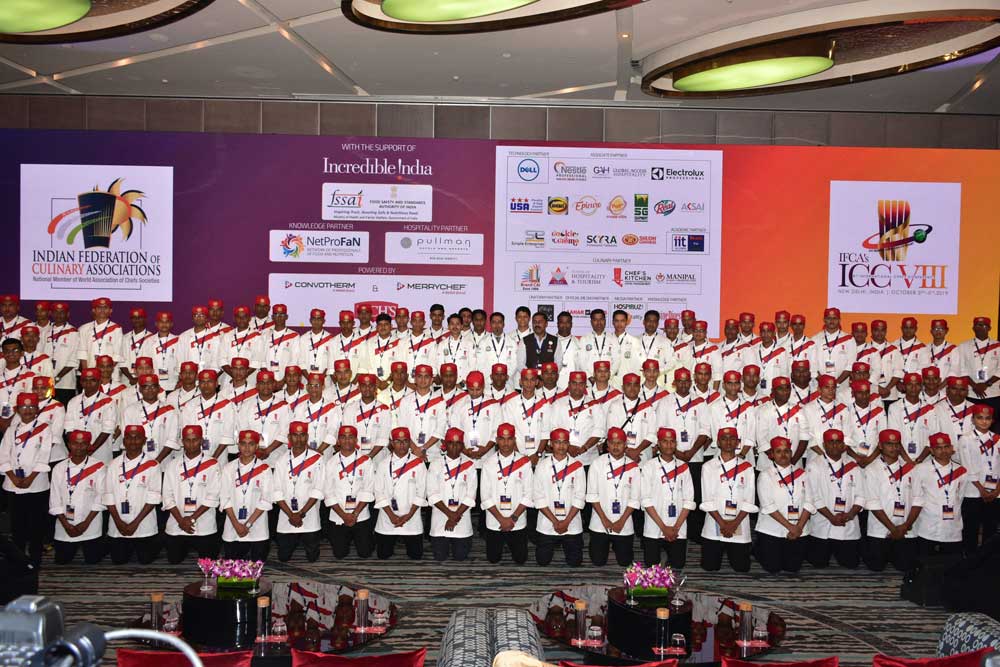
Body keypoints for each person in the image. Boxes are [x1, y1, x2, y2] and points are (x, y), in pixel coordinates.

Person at [0, 392, 53, 565]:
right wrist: (13, 477)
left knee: (37, 524)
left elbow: (44, 455)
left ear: (37, 409)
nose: (28, 410)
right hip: (13, 483)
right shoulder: (11, 430)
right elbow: (3, 455)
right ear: (17, 410)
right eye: (24, 407)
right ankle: (19, 561)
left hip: (37, 484)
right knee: (17, 526)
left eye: (31, 407)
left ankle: (35, 559)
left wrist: (30, 478)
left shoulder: (45, 429)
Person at [862, 429, 921, 572]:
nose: (894, 448)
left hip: (906, 530)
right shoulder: (872, 469)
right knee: (876, 567)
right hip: (880, 530)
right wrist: (893, 529)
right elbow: (873, 504)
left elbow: (918, 500)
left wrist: (905, 526)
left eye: (896, 444)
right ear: (880, 446)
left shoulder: (911, 469)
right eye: (889, 444)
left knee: (905, 567)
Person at [162, 424, 221, 563]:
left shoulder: (212, 464)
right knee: (174, 560)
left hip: (204, 523)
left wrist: (192, 519)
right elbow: (167, 496)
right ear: (182, 442)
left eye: (195, 440)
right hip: (177, 523)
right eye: (187, 440)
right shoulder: (172, 465)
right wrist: (181, 521)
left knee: (209, 561)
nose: (191, 444)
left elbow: (213, 496)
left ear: (201, 440)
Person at [806, 428, 864, 569]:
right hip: (823, 525)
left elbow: (861, 496)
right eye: (830, 442)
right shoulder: (814, 465)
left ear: (843, 445)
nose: (834, 445)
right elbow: (814, 497)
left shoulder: (853, 466)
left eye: (838, 442)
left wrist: (849, 515)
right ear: (824, 445)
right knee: (819, 564)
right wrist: (831, 517)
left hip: (847, 525)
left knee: (851, 564)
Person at [699, 427, 756, 571]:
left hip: (739, 523)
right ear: (718, 443)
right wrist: (723, 524)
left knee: (742, 568)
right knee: (710, 567)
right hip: (715, 523)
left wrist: (734, 524)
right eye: (724, 439)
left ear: (738, 442)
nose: (728, 442)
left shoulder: (747, 468)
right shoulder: (708, 467)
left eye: (732, 439)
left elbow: (749, 501)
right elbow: (707, 500)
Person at [105, 424, 161, 564]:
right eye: (129, 438)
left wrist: (135, 523)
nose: (133, 441)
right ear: (124, 441)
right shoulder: (113, 465)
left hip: (143, 525)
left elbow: (154, 498)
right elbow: (108, 496)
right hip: (118, 525)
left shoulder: (153, 465)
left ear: (144, 440)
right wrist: (119, 522)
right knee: (118, 561)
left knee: (145, 561)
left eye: (137, 438)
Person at [755, 436, 813, 573]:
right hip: (772, 529)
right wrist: (790, 527)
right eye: (778, 451)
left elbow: (810, 503)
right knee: (773, 568)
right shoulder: (765, 475)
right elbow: (768, 506)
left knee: (792, 568)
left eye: (786, 451)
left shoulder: (803, 474)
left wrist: (798, 527)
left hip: (798, 529)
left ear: (791, 453)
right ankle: (758, 549)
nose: (783, 455)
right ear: (772, 455)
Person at [641, 427, 695, 568]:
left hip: (678, 527)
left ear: (676, 444)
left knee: (678, 565)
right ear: (658, 444)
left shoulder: (684, 467)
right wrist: (663, 528)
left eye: (672, 441)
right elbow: (645, 500)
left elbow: (689, 501)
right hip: (654, 526)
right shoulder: (649, 466)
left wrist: (675, 528)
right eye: (665, 441)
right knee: (651, 566)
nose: (669, 445)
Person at [49, 430, 106, 564]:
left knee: (93, 561)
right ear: (69, 445)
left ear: (88, 445)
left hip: (90, 524)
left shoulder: (99, 466)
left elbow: (101, 498)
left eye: (83, 443)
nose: (79, 447)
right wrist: (66, 525)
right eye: (75, 443)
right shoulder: (59, 468)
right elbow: (55, 500)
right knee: (62, 561)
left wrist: (86, 523)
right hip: (65, 524)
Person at [587, 427, 641, 566]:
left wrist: (621, 521)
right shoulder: (597, 464)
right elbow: (592, 496)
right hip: (600, 522)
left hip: (624, 522)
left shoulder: (633, 467)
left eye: (619, 443)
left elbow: (635, 499)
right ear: (607, 445)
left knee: (625, 562)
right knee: (598, 562)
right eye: (612, 443)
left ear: (625, 445)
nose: (615, 446)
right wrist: (605, 520)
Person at [273, 421, 326, 562]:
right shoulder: (281, 461)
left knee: (312, 558)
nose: (299, 439)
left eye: (302, 435)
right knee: (283, 557)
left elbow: (318, 490)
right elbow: (277, 492)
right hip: (287, 516)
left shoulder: (317, 459)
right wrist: (291, 515)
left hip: (309, 515)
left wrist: (301, 514)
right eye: (295, 435)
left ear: (307, 437)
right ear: (289, 437)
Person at [533, 428, 586, 566]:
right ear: (551, 444)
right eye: (557, 442)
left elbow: (580, 497)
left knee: (575, 563)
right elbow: (538, 497)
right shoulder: (542, 466)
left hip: (571, 523)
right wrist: (555, 521)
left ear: (568, 444)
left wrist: (566, 522)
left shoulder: (577, 466)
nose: (561, 446)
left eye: (564, 442)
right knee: (542, 561)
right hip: (547, 522)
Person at [481, 422, 532, 564]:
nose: (506, 443)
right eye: (502, 439)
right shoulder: (488, 463)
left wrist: (513, 519)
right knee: (493, 559)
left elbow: (528, 494)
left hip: (517, 521)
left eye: (509, 439)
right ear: (497, 440)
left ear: (514, 440)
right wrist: (501, 520)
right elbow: (485, 496)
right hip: (494, 521)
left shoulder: (524, 462)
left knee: (521, 560)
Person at [373, 427, 426, 560]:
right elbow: (378, 492)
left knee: (416, 556)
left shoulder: (419, 463)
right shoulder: (383, 464)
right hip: (388, 517)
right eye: (398, 441)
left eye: (405, 441)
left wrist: (408, 516)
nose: (402, 445)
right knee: (383, 555)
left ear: (409, 443)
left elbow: (422, 493)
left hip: (411, 517)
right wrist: (391, 515)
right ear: (392, 443)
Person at [220, 430, 274, 561]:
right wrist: (236, 525)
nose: (247, 448)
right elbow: (225, 499)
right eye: (243, 443)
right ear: (238, 445)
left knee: (257, 565)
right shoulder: (228, 468)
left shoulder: (265, 469)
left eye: (251, 444)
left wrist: (248, 524)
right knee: (231, 565)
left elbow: (266, 500)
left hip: (257, 526)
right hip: (233, 526)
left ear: (257, 446)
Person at [323, 424, 375, 559]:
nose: (347, 440)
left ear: (356, 440)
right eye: (343, 437)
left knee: (365, 553)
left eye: (351, 437)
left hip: (360, 514)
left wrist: (355, 514)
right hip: (338, 515)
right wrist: (344, 515)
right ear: (338, 441)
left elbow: (368, 490)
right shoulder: (330, 462)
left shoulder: (366, 461)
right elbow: (328, 493)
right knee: (339, 554)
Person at [914, 432, 969, 558]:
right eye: (938, 448)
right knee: (925, 562)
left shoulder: (961, 471)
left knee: (952, 563)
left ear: (952, 448)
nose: (943, 451)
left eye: (946, 447)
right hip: (927, 526)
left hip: (952, 527)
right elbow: (916, 496)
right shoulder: (920, 469)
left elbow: (960, 496)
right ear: (932, 451)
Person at [427, 427, 477, 561]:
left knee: (460, 557)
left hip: (462, 519)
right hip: (440, 518)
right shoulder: (435, 464)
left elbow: (471, 496)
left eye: (458, 443)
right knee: (440, 557)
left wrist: (455, 516)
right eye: (451, 443)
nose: (454, 447)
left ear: (463, 445)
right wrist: (451, 515)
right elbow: (432, 494)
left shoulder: (469, 465)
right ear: (445, 444)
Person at [959, 404, 998, 554]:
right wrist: (982, 490)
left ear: (992, 420)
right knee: (971, 528)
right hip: (973, 491)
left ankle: (987, 560)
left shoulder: (997, 439)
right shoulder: (966, 439)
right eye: (980, 418)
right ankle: (970, 558)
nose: (984, 421)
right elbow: (966, 466)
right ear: (973, 419)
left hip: (994, 492)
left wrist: (997, 490)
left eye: (988, 418)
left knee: (991, 528)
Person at [549, 371, 604, 468]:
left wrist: (584, 448)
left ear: (585, 385)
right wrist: (568, 447)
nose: (577, 387)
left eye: (581, 384)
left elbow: (599, 430)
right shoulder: (558, 404)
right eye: (574, 383)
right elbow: (552, 428)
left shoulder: (594, 405)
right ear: (569, 384)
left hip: (588, 458)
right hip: (563, 458)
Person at [121, 374, 179, 464]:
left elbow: (172, 439)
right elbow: (127, 439)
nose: (150, 390)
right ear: (140, 389)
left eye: (153, 386)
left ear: (159, 388)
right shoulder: (130, 410)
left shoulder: (169, 410)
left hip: (163, 461)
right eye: (146, 387)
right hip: (137, 463)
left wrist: (156, 461)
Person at [237, 370, 291, 466]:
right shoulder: (247, 405)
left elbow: (285, 432)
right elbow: (242, 430)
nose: (266, 386)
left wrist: (268, 450)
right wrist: (254, 449)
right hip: (251, 456)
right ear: (257, 385)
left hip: (276, 456)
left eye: (269, 383)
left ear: (274, 384)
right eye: (262, 383)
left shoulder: (283, 406)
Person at [181, 369, 236, 461]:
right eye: (203, 382)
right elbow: (187, 435)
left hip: (219, 458)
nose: (206, 385)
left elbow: (227, 436)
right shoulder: (190, 405)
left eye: (210, 381)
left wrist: (212, 460)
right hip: (194, 458)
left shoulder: (226, 405)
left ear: (216, 383)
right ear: (198, 384)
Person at [63, 368, 117, 464]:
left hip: (100, 452)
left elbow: (107, 429)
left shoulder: (108, 402)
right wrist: (77, 448)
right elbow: (69, 428)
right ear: (80, 382)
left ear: (99, 381)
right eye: (85, 380)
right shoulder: (73, 401)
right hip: (77, 453)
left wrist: (91, 449)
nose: (88, 383)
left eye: (93, 380)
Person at [449, 371, 501, 466]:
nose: (475, 393)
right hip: (465, 456)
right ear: (467, 387)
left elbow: (497, 430)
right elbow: (454, 430)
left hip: (488, 456)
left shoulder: (494, 404)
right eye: (471, 389)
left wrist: (485, 449)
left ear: (483, 386)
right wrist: (465, 450)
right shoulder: (459, 405)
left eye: (478, 389)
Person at [888, 372, 940, 464]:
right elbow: (894, 437)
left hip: (924, 460)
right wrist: (908, 461)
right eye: (909, 385)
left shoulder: (929, 409)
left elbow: (933, 437)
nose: (913, 388)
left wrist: (919, 460)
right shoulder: (894, 407)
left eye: (917, 385)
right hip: (901, 460)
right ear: (904, 387)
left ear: (921, 387)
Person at [397, 364, 446, 461]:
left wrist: (423, 448)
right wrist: (415, 449)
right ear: (415, 379)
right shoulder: (406, 401)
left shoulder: (440, 402)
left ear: (432, 380)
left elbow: (440, 429)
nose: (423, 380)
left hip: (433, 453)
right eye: (420, 376)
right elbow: (402, 428)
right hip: (411, 452)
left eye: (426, 376)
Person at [502, 368, 548, 460]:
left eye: (532, 380)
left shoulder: (544, 404)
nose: (529, 383)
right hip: (516, 455)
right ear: (520, 382)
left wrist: (538, 454)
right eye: (526, 380)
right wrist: (518, 455)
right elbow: (509, 432)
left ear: (537, 382)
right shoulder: (511, 404)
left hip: (538, 457)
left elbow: (546, 432)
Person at [342, 374, 389, 460]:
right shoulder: (350, 408)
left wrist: (370, 456)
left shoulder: (384, 409)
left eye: (370, 386)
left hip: (378, 456)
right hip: (355, 456)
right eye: (364, 386)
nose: (367, 388)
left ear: (375, 388)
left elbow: (383, 437)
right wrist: (360, 456)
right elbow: (348, 436)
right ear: (359, 388)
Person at [961, 316, 1000, 419]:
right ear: (973, 328)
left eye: (984, 325)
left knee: (992, 423)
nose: (981, 328)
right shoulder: (964, 346)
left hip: (993, 393)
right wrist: (974, 386)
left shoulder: (998, 346)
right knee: (970, 422)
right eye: (978, 325)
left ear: (989, 328)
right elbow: (961, 369)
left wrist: (986, 384)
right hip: (971, 393)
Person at [294, 372, 339, 457]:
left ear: (323, 387)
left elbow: (333, 431)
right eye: (311, 385)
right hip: (304, 452)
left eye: (317, 386)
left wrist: (319, 450)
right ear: (307, 387)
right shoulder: (300, 407)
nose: (313, 389)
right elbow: (296, 432)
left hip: (324, 453)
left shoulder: (331, 408)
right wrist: (309, 450)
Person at [812, 308, 855, 387]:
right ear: (824, 320)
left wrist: (837, 382)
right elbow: (812, 365)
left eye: (834, 318)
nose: (832, 321)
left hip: (842, 385)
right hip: (820, 385)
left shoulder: (849, 339)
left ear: (839, 320)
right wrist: (823, 383)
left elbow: (851, 364)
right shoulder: (815, 339)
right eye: (829, 318)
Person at [220, 306, 264, 384]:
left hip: (250, 378)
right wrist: (234, 376)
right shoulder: (227, 336)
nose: (241, 319)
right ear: (234, 318)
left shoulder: (257, 337)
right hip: (229, 378)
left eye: (244, 317)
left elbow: (256, 361)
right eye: (238, 317)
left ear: (249, 318)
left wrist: (241, 377)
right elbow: (222, 359)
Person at [139, 311, 181, 390]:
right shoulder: (148, 341)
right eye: (161, 322)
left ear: (171, 324)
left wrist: (180, 381)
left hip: (174, 383)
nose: (164, 324)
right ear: (156, 324)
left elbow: (181, 362)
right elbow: (144, 364)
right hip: (153, 385)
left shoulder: (178, 340)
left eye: (167, 322)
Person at [77, 297, 122, 371]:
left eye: (105, 308)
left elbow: (117, 355)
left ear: (110, 311)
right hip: (90, 372)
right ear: (93, 310)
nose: (102, 310)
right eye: (99, 307)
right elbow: (82, 353)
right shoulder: (84, 329)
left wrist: (105, 370)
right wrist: (87, 372)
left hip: (110, 372)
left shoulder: (117, 329)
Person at [49, 302, 80, 405]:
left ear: (67, 314)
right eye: (56, 312)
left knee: (64, 409)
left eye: (62, 312)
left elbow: (74, 359)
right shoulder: (46, 330)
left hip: (66, 383)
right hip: (47, 383)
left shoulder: (73, 332)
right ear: (51, 314)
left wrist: (58, 377)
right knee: (47, 409)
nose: (59, 315)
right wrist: (50, 380)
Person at [178, 306, 223, 373]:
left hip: (208, 377)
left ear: (206, 318)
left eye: (202, 315)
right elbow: (180, 359)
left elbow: (216, 361)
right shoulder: (184, 336)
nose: (199, 318)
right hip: (188, 376)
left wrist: (209, 375)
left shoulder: (215, 337)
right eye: (196, 315)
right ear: (192, 318)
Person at [263, 304, 299, 382]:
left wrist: (283, 381)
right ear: (272, 317)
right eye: (276, 315)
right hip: (267, 382)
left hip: (286, 381)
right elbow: (262, 360)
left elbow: (294, 361)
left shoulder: (294, 336)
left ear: (286, 317)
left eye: (282, 315)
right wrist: (269, 379)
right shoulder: (265, 335)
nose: (279, 317)